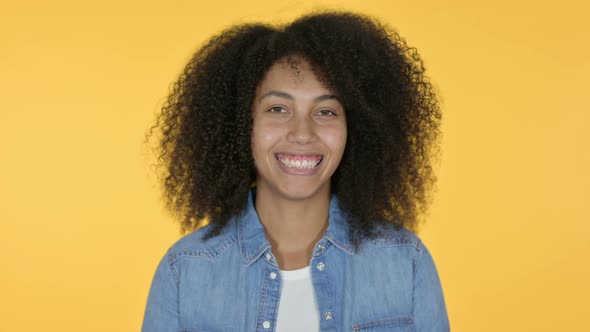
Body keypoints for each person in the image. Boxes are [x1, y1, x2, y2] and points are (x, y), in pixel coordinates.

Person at [142, 9, 449, 332]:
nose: (302, 133)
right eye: (278, 109)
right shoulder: (186, 270)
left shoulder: (405, 262)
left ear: (355, 128)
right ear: (241, 125)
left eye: (326, 111)